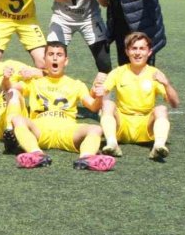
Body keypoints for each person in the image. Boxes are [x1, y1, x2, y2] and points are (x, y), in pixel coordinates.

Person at [11, 41, 115, 171]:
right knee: (17, 119)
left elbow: (93, 107)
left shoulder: (76, 84)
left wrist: (99, 95)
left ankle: (87, 158)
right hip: (40, 129)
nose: (55, 58)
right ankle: (36, 154)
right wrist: (10, 77)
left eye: (59, 55)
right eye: (51, 54)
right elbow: (10, 89)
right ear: (44, 60)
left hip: (67, 130)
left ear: (66, 61)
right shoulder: (34, 82)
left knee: (95, 129)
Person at [99, 32, 180, 160]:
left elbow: (175, 104)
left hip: (145, 126)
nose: (137, 53)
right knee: (108, 104)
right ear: (127, 51)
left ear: (149, 52)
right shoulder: (118, 72)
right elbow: (101, 91)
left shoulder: (155, 73)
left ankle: (158, 146)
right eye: (134, 48)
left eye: (142, 48)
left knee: (161, 109)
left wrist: (166, 84)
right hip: (122, 125)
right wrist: (98, 90)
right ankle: (112, 143)